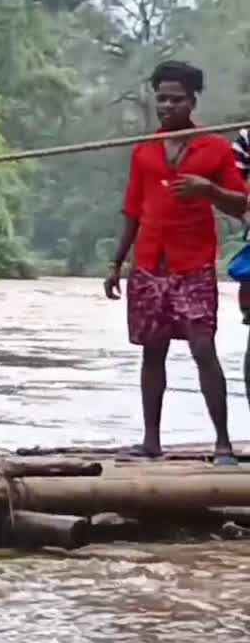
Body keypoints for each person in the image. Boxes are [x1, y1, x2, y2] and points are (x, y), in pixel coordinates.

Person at [104, 60, 249, 463]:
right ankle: (152, 441)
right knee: (153, 350)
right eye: (162, 98)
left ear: (192, 101)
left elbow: (241, 203)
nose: (167, 106)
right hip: (150, 264)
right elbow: (133, 210)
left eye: (176, 99)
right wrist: (117, 264)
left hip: (193, 264)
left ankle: (223, 443)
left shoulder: (214, 148)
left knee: (204, 348)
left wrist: (208, 189)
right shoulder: (145, 151)